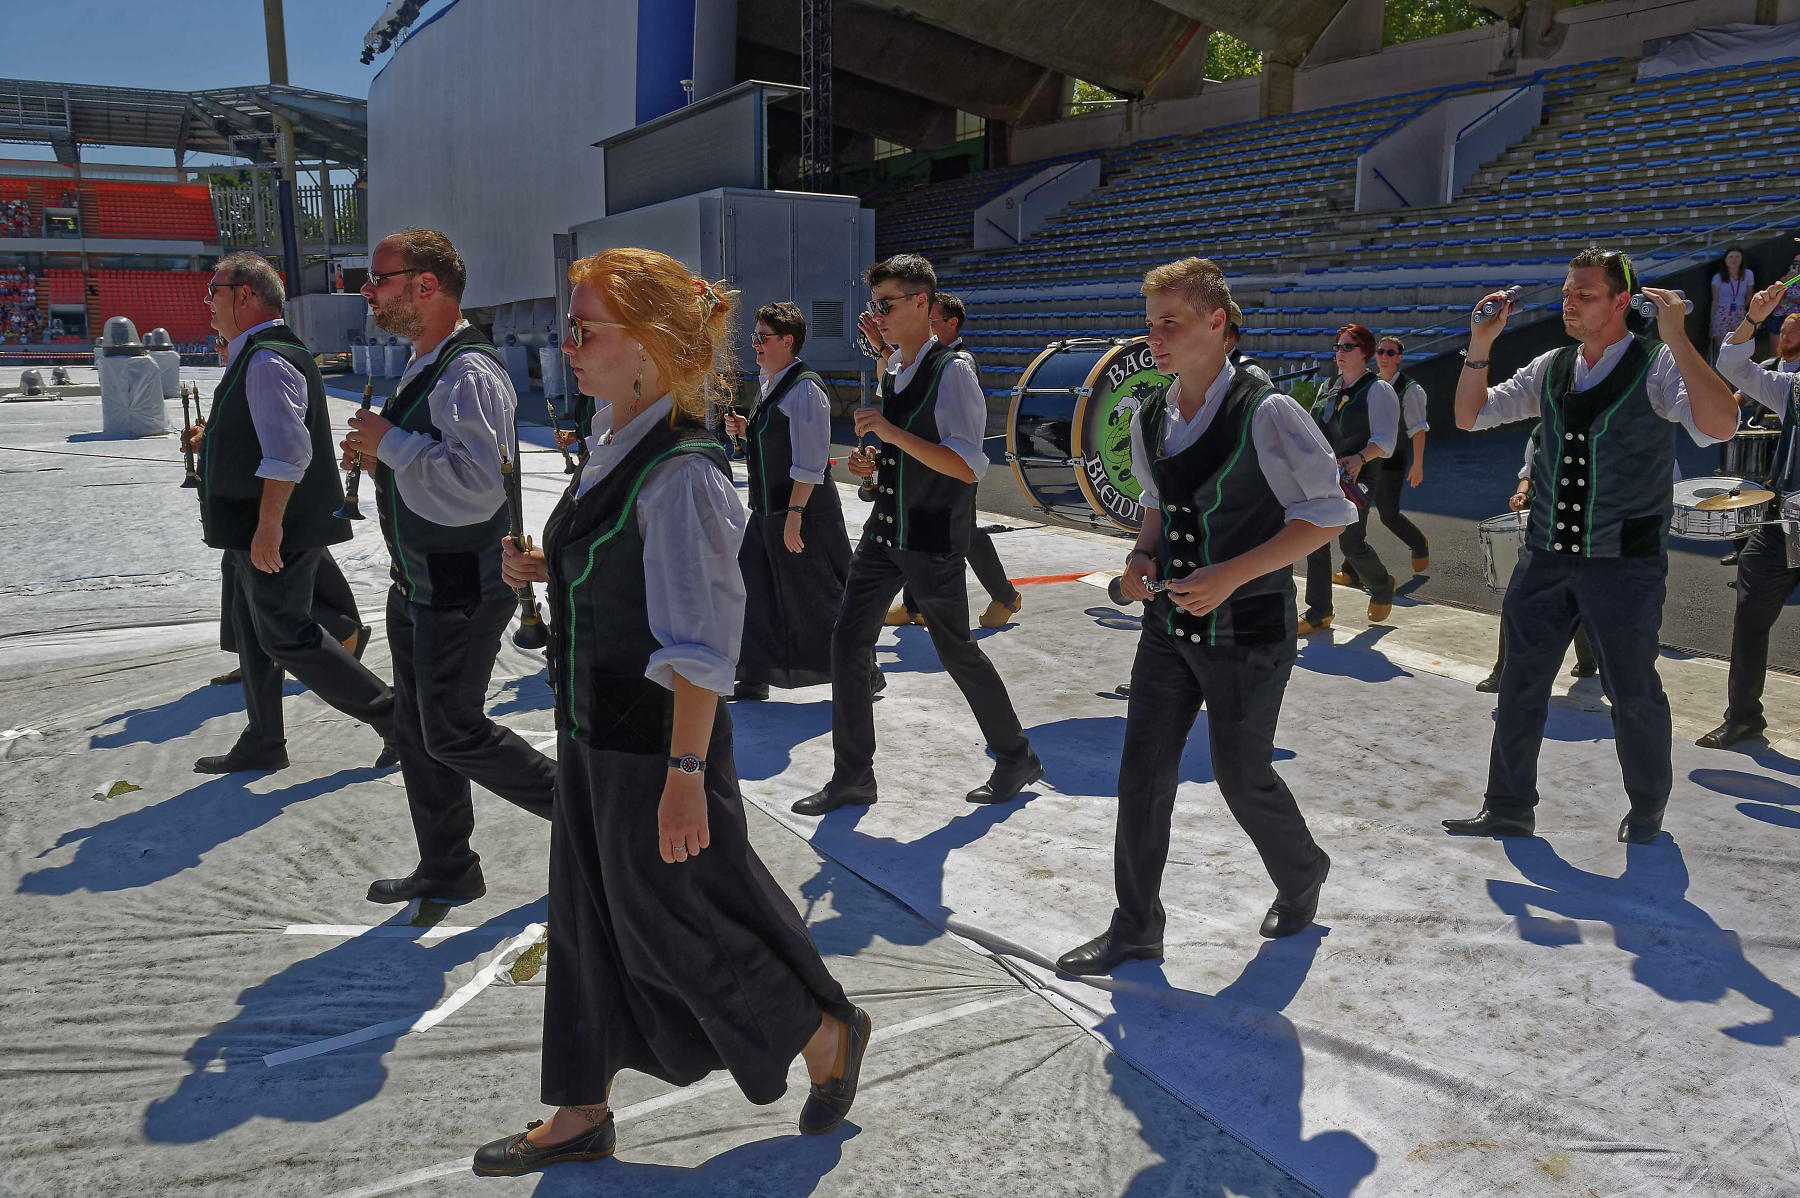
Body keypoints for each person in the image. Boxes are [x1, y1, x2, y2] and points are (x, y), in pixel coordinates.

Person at [476, 248, 867, 1176]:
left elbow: (700, 646)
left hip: (655, 750)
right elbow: (617, 572)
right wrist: (547, 569)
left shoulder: (685, 472)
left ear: (648, 346)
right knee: (582, 919)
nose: (565, 346)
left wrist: (686, 780)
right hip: (591, 733)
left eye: (584, 330)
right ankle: (581, 1108)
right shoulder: (615, 437)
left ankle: (823, 1034)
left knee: (678, 930)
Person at [1056, 258, 1352, 977]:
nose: (1154, 338)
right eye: (1150, 323)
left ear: (1217, 322)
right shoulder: (1153, 412)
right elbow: (1158, 509)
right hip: (1168, 629)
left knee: (1240, 775)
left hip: (1248, 630)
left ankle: (1303, 869)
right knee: (1141, 773)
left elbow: (1328, 515)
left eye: (1171, 323)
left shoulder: (1269, 410)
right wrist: (1141, 558)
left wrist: (1230, 575)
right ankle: (1136, 925)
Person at [1444, 247, 1737, 844]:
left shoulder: (1658, 367)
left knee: (1632, 689)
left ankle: (1648, 806)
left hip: (1624, 563)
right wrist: (1481, 343)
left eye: (1585, 293)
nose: (1568, 301)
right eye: (1567, 291)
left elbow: (1720, 425)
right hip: (1547, 553)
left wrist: (1680, 338)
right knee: (1521, 681)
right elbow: (1471, 416)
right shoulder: (1552, 364)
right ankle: (1507, 804)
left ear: (1621, 302)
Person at [341, 229, 555, 905]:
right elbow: (435, 468)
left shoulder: (468, 371)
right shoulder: (428, 360)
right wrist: (384, 456)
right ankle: (448, 865)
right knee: (417, 728)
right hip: (422, 585)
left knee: (452, 730)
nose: (367, 291)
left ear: (425, 285)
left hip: (463, 586)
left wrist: (391, 444)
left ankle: (590, 812)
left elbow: (477, 487)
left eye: (379, 278)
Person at [795, 254, 1042, 816]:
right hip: (885, 533)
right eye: (874, 305)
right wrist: (872, 459)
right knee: (847, 644)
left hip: (931, 539)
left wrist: (886, 432)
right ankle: (853, 776)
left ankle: (1015, 754)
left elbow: (966, 465)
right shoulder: (896, 369)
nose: (878, 315)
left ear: (924, 305)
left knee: (957, 654)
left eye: (887, 304)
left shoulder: (953, 369)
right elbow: (906, 448)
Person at [186, 251, 396, 773]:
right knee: (256, 628)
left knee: (285, 632)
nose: (208, 301)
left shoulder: (267, 358)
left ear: (245, 295)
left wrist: (268, 526)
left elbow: (288, 453)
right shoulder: (254, 354)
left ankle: (396, 719)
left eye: (215, 290)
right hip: (251, 523)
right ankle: (263, 738)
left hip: (271, 526)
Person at [722, 302, 868, 701]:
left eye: (762, 338)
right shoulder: (771, 381)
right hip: (769, 510)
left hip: (804, 514)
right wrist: (745, 430)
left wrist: (795, 515)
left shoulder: (805, 389)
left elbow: (811, 462)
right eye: (754, 337)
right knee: (754, 587)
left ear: (787, 341)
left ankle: (862, 674)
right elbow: (774, 439)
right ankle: (754, 673)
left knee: (818, 595)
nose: (755, 345)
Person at [1698, 281, 1800, 750]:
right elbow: (1732, 365)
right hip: (1785, 521)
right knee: (1750, 614)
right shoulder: (1793, 388)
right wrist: (1754, 319)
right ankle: (1743, 717)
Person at [884, 291, 1024, 630]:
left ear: (952, 323)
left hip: (952, 469)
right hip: (928, 467)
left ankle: (1005, 595)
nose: (927, 329)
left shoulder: (959, 361)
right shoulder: (924, 358)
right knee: (918, 530)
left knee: (964, 534)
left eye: (931, 322)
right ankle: (914, 605)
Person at [1477, 429, 1596, 693]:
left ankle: (1589, 659)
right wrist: (1521, 494)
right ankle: (1502, 671)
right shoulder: (1540, 433)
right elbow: (1528, 475)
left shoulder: (1598, 427)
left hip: (1585, 531)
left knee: (1581, 599)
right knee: (1514, 603)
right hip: (1542, 527)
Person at [1298, 323, 1400, 633]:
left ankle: (1382, 584)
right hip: (1326, 475)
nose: (1339, 353)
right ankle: (1319, 611)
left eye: (1347, 347)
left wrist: (1359, 458)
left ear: (1365, 353)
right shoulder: (1330, 387)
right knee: (1315, 537)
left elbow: (1386, 440)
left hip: (1361, 476)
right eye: (1337, 347)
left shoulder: (1378, 389)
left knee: (1351, 542)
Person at [1710, 245, 1754, 362]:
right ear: (1725, 260)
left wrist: (1743, 308)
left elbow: (1749, 295)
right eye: (1731, 257)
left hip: (1739, 311)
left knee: (1738, 345)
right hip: (1722, 312)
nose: (1734, 259)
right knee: (1722, 348)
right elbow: (1715, 299)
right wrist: (1712, 321)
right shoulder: (1718, 277)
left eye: (1737, 256)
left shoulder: (1748, 274)